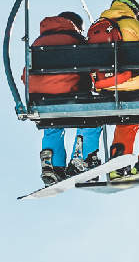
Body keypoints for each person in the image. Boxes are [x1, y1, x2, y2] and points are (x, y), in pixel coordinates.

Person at [83, 0, 139, 176]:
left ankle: (118, 164)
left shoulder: (97, 28)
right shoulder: (137, 27)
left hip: (107, 88)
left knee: (126, 122)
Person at [26, 11, 103, 184]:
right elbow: (92, 68)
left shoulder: (38, 43)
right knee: (92, 118)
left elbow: (26, 74)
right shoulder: (77, 40)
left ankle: (53, 166)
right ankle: (83, 159)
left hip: (41, 99)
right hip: (71, 94)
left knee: (52, 123)